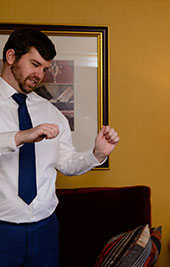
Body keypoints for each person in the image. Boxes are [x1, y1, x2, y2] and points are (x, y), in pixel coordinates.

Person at [0, 28, 119, 266]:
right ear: (11, 57)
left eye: (44, 68)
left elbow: (66, 163)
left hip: (45, 231)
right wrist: (21, 136)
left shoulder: (50, 111)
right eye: (34, 64)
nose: (39, 75)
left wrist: (96, 154)